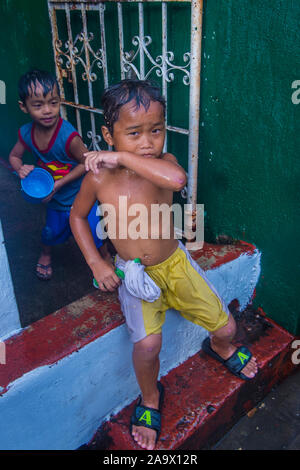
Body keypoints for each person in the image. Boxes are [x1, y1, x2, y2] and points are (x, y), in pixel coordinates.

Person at [69, 79, 258, 450]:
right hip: (134, 274)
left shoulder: (164, 165)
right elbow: (76, 218)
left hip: (176, 265)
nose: (147, 142)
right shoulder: (97, 178)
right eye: (134, 133)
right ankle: (150, 398)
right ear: (109, 134)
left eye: (155, 131)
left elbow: (178, 178)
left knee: (228, 328)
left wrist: (123, 157)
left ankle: (220, 349)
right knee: (148, 347)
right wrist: (96, 262)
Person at [9, 69, 107, 280]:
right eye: (38, 105)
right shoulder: (26, 133)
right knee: (50, 232)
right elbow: (14, 156)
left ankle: (105, 257)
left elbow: (85, 163)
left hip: (81, 195)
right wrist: (20, 168)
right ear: (23, 107)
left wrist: (59, 184)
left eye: (53, 103)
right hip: (54, 199)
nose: (48, 110)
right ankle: (46, 254)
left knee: (95, 233)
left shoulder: (68, 136)